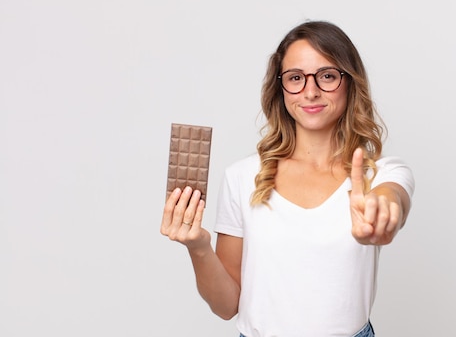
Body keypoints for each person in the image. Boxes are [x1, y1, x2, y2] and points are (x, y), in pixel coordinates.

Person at [161, 20, 415, 337]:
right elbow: (226, 306)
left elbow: (394, 198)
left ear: (350, 82)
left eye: (326, 76)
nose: (310, 92)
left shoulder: (380, 174)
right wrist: (198, 247)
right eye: (296, 78)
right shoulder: (242, 177)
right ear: (281, 89)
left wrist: (384, 210)